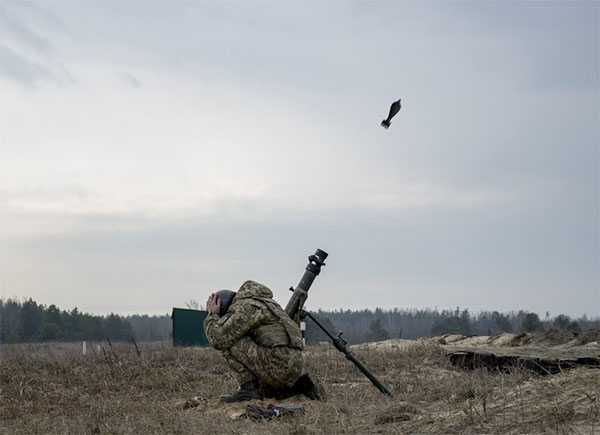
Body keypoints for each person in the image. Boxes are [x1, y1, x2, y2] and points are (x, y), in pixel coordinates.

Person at [204, 280, 314, 403]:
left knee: (227, 340)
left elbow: (217, 338)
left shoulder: (245, 307)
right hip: (295, 369)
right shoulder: (268, 303)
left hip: (279, 366)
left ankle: (249, 390)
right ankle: (279, 389)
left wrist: (212, 315)